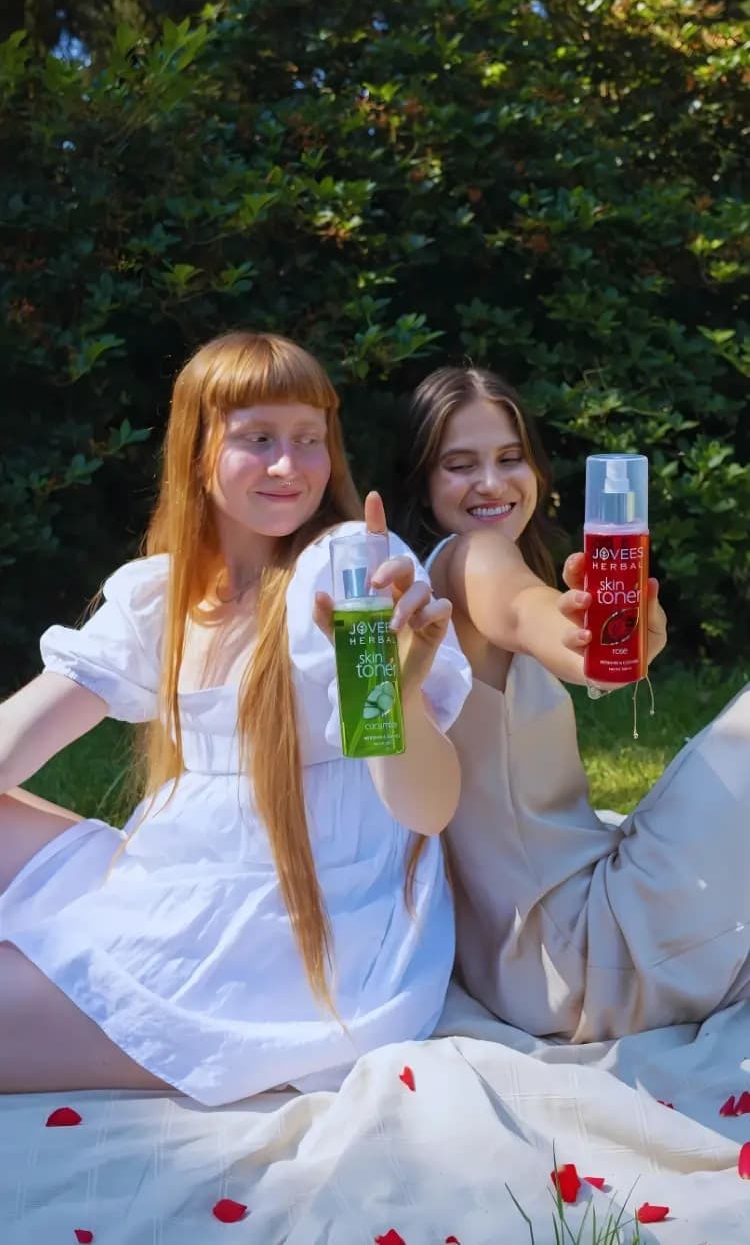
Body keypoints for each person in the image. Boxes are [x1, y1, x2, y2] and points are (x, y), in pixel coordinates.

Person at [0, 332, 471, 1106]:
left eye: (309, 438)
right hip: (178, 880)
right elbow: (19, 736)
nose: (290, 465)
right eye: (259, 439)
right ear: (197, 452)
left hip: (289, 940)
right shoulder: (164, 593)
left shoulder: (343, 566)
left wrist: (393, 690)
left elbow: (426, 808)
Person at [395, 364, 750, 1042]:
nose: (491, 483)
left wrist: (609, 646)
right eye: (460, 465)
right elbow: (526, 613)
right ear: (423, 482)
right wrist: (579, 641)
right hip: (578, 950)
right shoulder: (469, 559)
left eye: (510, 458)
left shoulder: (434, 585)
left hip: (530, 955)